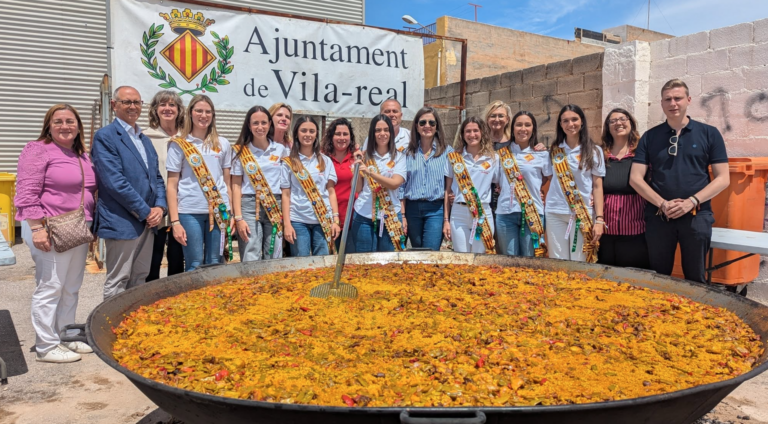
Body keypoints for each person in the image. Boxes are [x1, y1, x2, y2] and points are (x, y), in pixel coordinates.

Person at [15, 104, 97, 362]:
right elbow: (26, 192)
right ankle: (46, 346)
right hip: (49, 229)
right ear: (49, 125)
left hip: (76, 229)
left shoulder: (81, 154)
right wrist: (37, 228)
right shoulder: (38, 149)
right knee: (50, 286)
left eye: (70, 121)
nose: (65, 126)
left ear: (78, 126)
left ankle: (66, 335)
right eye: (58, 121)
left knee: (71, 287)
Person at [630, 79, 729, 283]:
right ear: (662, 103)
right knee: (658, 276)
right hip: (659, 215)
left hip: (696, 215)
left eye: (678, 98)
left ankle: (696, 314)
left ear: (688, 100)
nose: (673, 103)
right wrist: (663, 204)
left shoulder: (709, 134)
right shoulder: (650, 137)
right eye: (668, 99)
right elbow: (635, 179)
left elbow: (723, 178)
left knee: (695, 277)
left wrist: (691, 201)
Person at [91, 86, 167, 300]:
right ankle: (110, 329)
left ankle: (133, 328)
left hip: (148, 222)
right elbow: (114, 182)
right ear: (114, 105)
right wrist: (145, 211)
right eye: (127, 102)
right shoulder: (105, 137)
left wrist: (160, 207)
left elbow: (157, 178)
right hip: (123, 221)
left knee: (140, 277)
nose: (133, 106)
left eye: (137, 102)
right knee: (118, 280)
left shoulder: (144, 139)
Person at [166, 95, 233, 271]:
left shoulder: (223, 143)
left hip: (220, 210)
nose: (203, 115)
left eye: (208, 112)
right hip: (189, 211)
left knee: (216, 261)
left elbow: (227, 182)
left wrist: (230, 213)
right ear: (190, 113)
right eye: (199, 111)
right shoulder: (179, 144)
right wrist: (175, 222)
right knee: (194, 264)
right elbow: (172, 185)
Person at [545, 104, 605, 263]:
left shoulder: (594, 151)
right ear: (560, 124)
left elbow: (598, 186)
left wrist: (599, 219)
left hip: (582, 213)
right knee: (557, 261)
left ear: (582, 122)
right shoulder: (554, 150)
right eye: (565, 121)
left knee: (581, 261)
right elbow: (552, 179)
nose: (570, 124)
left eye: (574, 119)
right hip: (555, 211)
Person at [231, 106, 288, 261]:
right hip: (249, 205)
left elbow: (285, 185)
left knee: (274, 252)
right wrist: (238, 218)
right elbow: (235, 186)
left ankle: (273, 285)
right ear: (249, 126)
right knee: (251, 251)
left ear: (270, 124)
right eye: (255, 123)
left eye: (264, 122)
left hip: (274, 204)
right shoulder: (241, 151)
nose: (260, 127)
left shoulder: (281, 150)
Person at [280, 117, 341, 256]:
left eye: (312, 131)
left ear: (316, 134)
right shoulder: (288, 162)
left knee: (323, 261)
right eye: (304, 130)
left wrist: (335, 220)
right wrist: (287, 225)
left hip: (322, 219)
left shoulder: (325, 160)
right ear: (296, 133)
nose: (308, 134)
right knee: (301, 261)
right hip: (298, 220)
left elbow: (331, 192)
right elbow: (286, 194)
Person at [598, 108, 650, 269]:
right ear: (607, 127)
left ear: (631, 123)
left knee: (633, 281)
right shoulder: (599, 154)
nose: (618, 123)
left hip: (635, 231)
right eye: (612, 121)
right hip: (605, 231)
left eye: (623, 119)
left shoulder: (642, 153)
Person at [495, 111, 552, 257]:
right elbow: (492, 178)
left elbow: (550, 179)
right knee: (509, 260)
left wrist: (539, 191)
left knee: (530, 259)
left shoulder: (542, 154)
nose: (523, 129)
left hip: (533, 213)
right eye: (519, 125)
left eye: (527, 125)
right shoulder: (500, 154)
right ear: (512, 128)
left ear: (533, 129)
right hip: (506, 213)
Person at [349, 115, 407, 253]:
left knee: (389, 264)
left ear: (391, 133)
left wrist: (370, 173)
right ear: (372, 133)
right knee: (364, 262)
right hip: (364, 215)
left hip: (391, 214)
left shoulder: (399, 157)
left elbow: (394, 183)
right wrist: (357, 167)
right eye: (378, 130)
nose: (382, 134)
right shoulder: (364, 156)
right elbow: (357, 188)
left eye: (386, 130)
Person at [144, 90, 185, 279]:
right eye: (163, 104)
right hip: (156, 206)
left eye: (172, 105)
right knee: (153, 259)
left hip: (183, 205)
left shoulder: (188, 138)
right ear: (155, 110)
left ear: (179, 110)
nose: (167, 108)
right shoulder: (145, 137)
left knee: (178, 259)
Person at [443, 117, 498, 254]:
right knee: (462, 258)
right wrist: (446, 219)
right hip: (459, 212)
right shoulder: (454, 157)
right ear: (462, 134)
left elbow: (500, 185)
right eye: (468, 131)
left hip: (483, 212)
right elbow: (447, 189)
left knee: (480, 258)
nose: (472, 135)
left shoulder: (493, 158)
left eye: (475, 131)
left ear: (482, 133)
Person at [402, 107, 450, 252]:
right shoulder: (406, 153)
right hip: (412, 209)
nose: (427, 126)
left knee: (431, 252)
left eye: (431, 123)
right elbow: (401, 188)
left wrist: (447, 219)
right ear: (416, 126)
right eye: (422, 122)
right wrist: (403, 216)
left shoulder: (448, 152)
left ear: (437, 127)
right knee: (416, 253)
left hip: (435, 209)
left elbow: (449, 187)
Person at [321, 118, 358, 250]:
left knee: (351, 261)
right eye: (338, 134)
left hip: (353, 218)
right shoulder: (322, 157)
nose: (342, 138)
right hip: (329, 217)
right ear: (331, 136)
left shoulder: (357, 157)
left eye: (345, 134)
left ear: (351, 137)